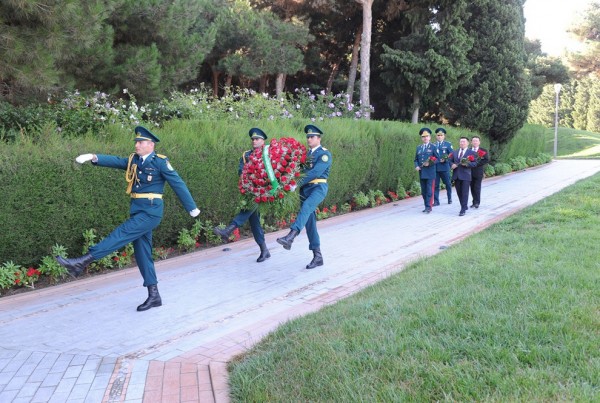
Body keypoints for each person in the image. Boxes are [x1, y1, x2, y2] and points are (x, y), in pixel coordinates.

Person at [56, 126, 201, 311]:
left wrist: (192, 207)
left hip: (151, 212)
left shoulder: (160, 163)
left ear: (151, 144)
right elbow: (117, 161)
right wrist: (94, 157)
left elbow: (177, 183)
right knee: (142, 253)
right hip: (137, 210)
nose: (137, 145)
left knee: (121, 233)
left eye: (140, 142)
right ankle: (154, 296)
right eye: (136, 142)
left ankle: (83, 261)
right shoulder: (134, 160)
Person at [276, 124, 331, 269]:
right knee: (310, 223)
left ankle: (290, 237)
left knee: (307, 207)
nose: (309, 139)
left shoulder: (324, 154)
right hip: (305, 190)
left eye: (312, 137)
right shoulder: (305, 155)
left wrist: (297, 182)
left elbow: (315, 172)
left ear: (319, 138)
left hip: (318, 188)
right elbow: (296, 170)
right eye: (308, 137)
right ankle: (317, 256)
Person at [213, 128, 270, 263]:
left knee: (248, 209)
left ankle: (229, 230)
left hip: (264, 191)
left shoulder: (268, 153)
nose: (254, 141)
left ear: (263, 141)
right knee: (254, 222)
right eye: (253, 139)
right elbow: (241, 171)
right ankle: (264, 250)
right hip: (250, 190)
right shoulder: (246, 155)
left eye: (257, 139)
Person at [449, 136, 477, 216]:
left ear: (467, 143)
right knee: (459, 192)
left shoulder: (471, 153)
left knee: (465, 192)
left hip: (466, 175)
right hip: (456, 175)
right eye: (461, 142)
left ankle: (463, 209)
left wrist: (467, 164)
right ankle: (464, 206)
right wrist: (452, 165)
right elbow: (449, 161)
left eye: (464, 142)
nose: (462, 143)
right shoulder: (455, 152)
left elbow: (474, 163)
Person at [414, 127, 438, 213]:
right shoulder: (419, 148)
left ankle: (429, 207)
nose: (425, 138)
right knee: (423, 191)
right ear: (421, 138)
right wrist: (416, 166)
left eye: (427, 136)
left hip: (430, 172)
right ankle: (426, 205)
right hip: (422, 172)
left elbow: (437, 159)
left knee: (429, 190)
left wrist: (430, 163)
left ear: (430, 137)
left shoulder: (433, 147)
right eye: (423, 136)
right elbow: (416, 159)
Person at [433, 127, 454, 206]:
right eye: (438, 135)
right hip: (435, 168)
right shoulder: (433, 145)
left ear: (444, 136)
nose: (439, 136)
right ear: (436, 136)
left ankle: (449, 198)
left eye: (441, 135)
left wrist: (445, 160)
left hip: (444, 168)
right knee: (436, 185)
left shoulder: (448, 144)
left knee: (448, 184)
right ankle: (436, 201)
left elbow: (451, 154)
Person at [469, 135, 489, 209]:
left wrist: (476, 164)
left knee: (477, 187)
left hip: (478, 172)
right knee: (472, 187)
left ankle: (477, 202)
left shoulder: (483, 151)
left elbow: (486, 160)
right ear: (471, 142)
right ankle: (473, 202)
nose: (475, 142)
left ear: (479, 142)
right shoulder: (469, 150)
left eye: (476, 141)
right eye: (473, 141)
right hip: (470, 172)